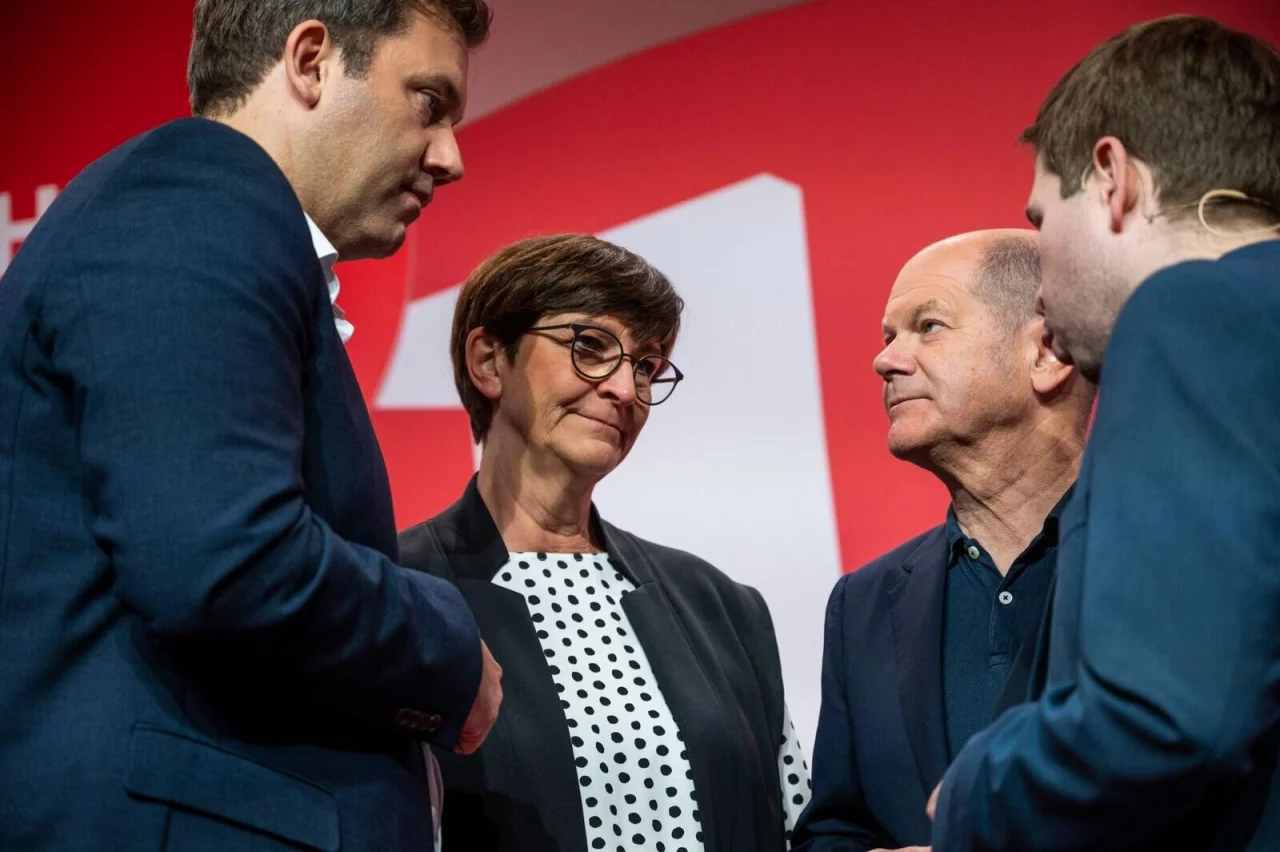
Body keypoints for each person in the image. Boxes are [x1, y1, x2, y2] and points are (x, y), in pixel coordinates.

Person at [0, 1, 502, 850]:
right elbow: (226, 560)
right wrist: (450, 651)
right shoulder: (198, 191)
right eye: (429, 101)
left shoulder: (211, 213)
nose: (450, 157)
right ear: (310, 60)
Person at [929, 16, 1280, 852]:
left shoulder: (1192, 313)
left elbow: (1164, 715)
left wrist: (973, 792)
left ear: (1114, 178)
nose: (1039, 283)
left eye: (1042, 217)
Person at [398, 233, 813, 851]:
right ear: (489, 361)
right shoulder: (398, 592)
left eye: (645, 366)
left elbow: (795, 827)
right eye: (590, 347)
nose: (624, 389)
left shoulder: (723, 606)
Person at [790, 231, 1093, 851]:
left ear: (1047, 352)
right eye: (887, 336)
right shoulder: (863, 603)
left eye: (928, 326)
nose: (884, 361)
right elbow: (835, 828)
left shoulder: (1174, 567)